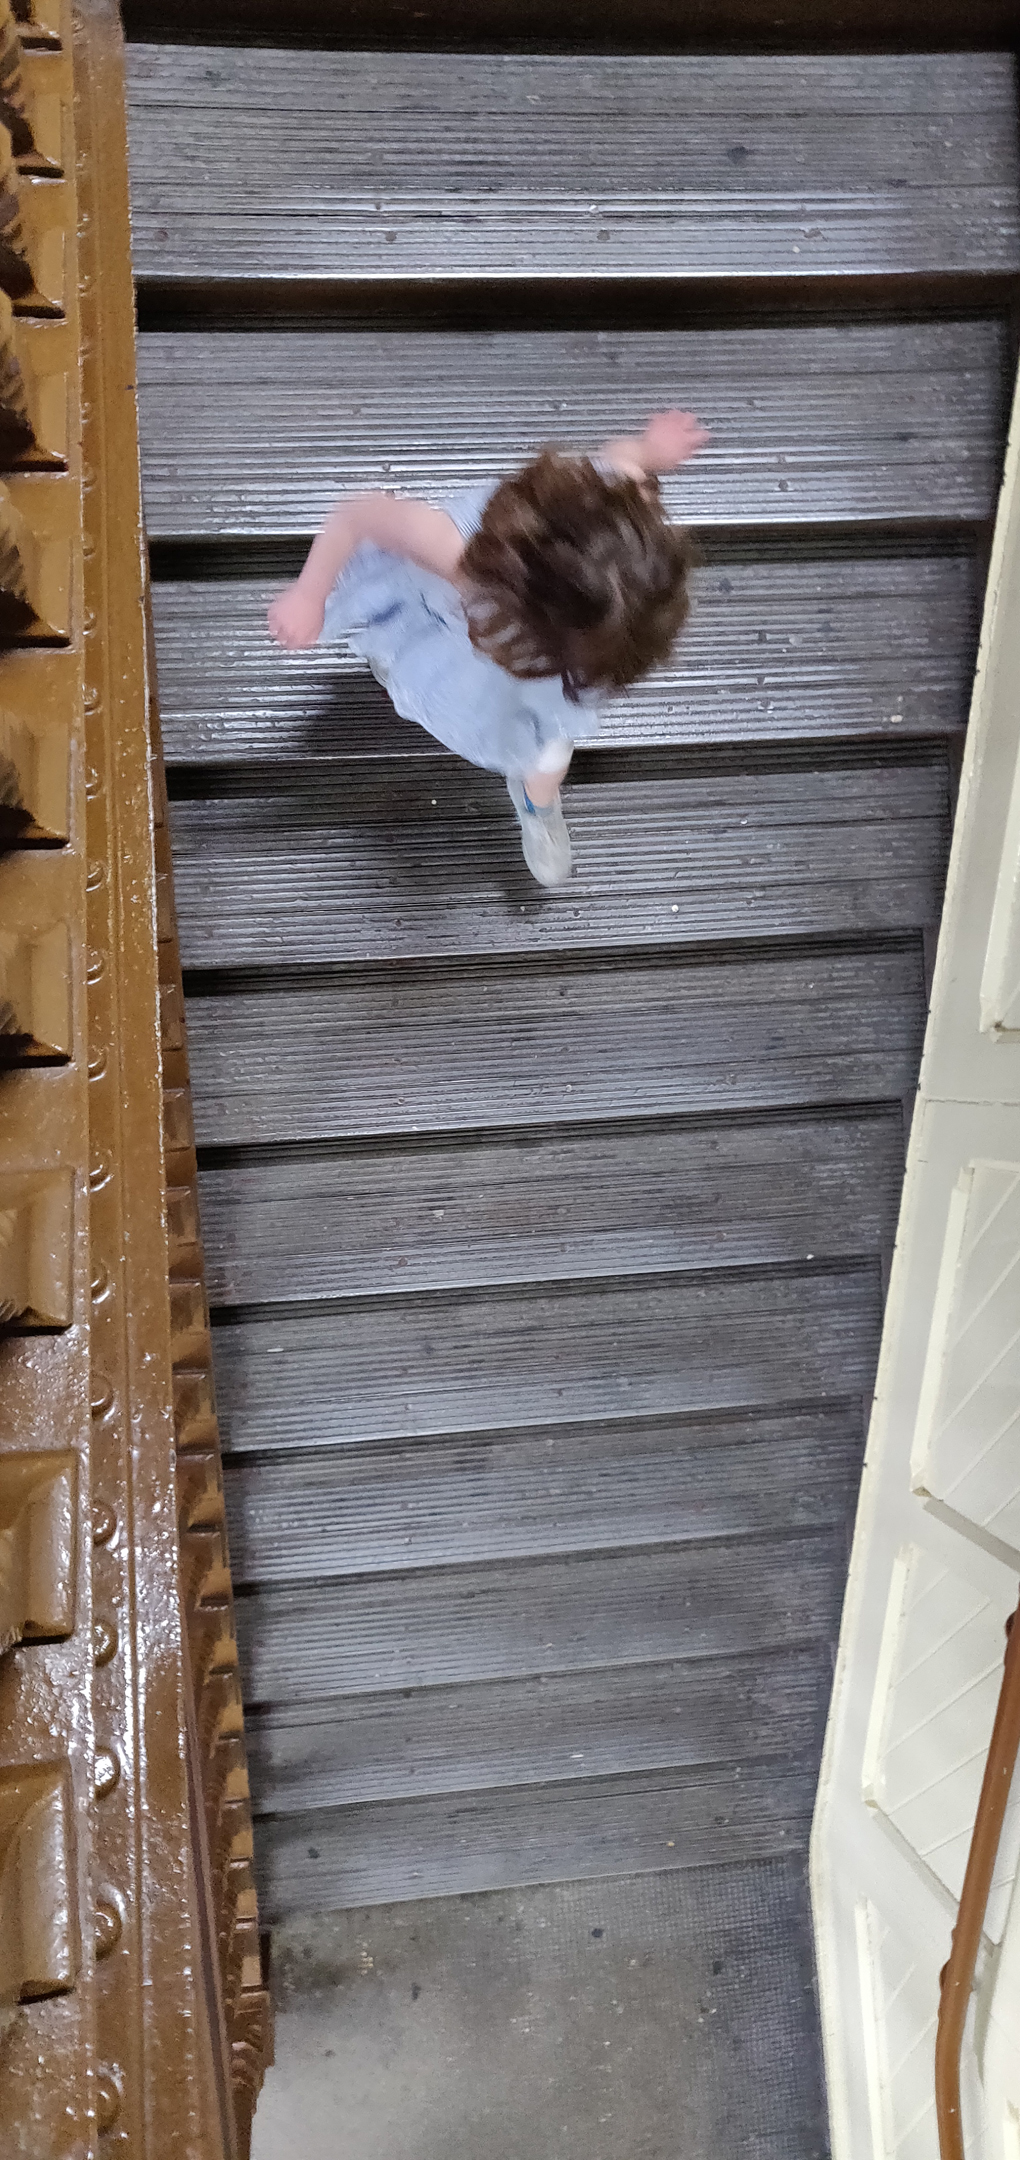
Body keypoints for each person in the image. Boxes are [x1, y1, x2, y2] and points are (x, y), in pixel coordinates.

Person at [267, 409, 709, 887]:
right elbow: (361, 513)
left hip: (532, 689)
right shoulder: (455, 555)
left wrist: (649, 451)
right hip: (443, 634)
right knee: (401, 659)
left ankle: (537, 802)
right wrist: (310, 594)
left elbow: (620, 463)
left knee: (547, 759)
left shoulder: (609, 516)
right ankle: (396, 666)